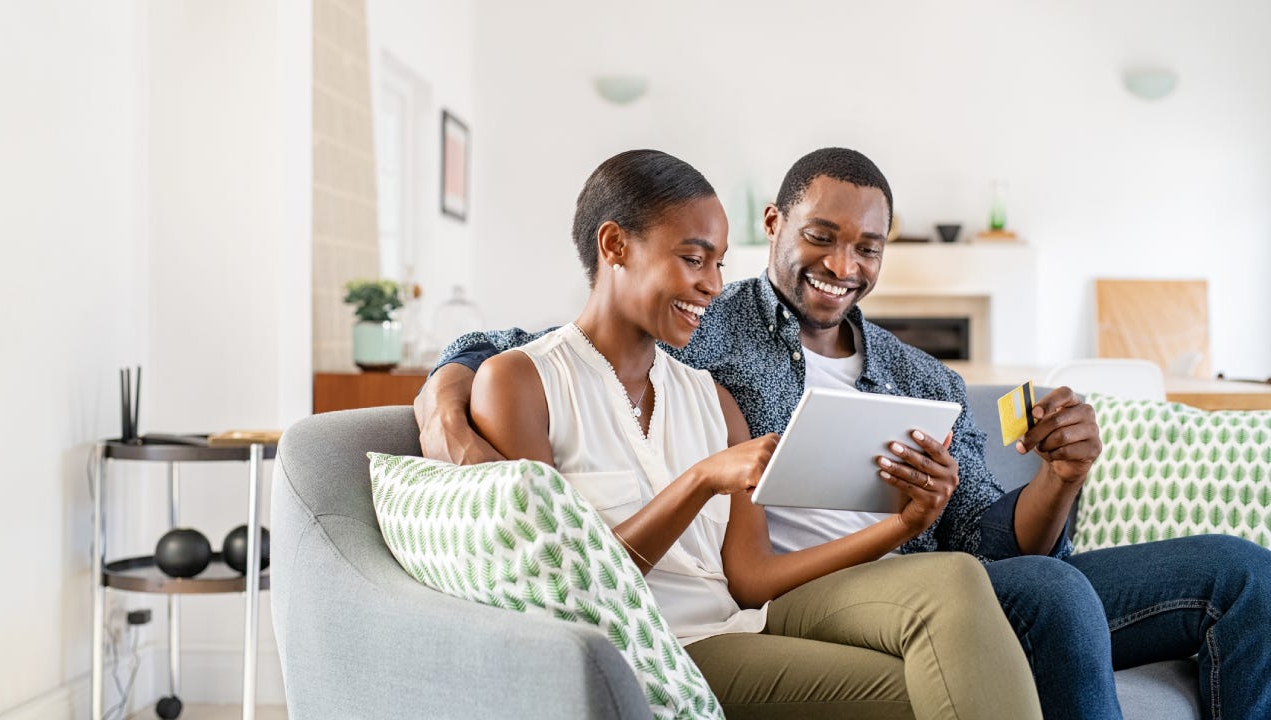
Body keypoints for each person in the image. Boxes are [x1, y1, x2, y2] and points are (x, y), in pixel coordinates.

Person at [416, 147, 1271, 720]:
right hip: (802, 602)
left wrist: (1060, 476)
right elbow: (544, 341)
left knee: (1240, 574)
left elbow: (987, 538)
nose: (843, 265)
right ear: (775, 227)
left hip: (931, 578)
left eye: (868, 247)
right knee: (1048, 592)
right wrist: (447, 389)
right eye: (821, 236)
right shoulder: (715, 328)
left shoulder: (920, 377)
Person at [468, 148, 1042, 719]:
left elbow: (750, 581)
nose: (714, 285)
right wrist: (699, 480)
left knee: (956, 597)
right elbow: (564, 592)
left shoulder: (711, 399)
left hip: (743, 624)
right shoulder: (520, 383)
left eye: (719, 263)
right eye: (694, 259)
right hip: (655, 652)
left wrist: (905, 523)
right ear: (615, 245)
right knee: (928, 692)